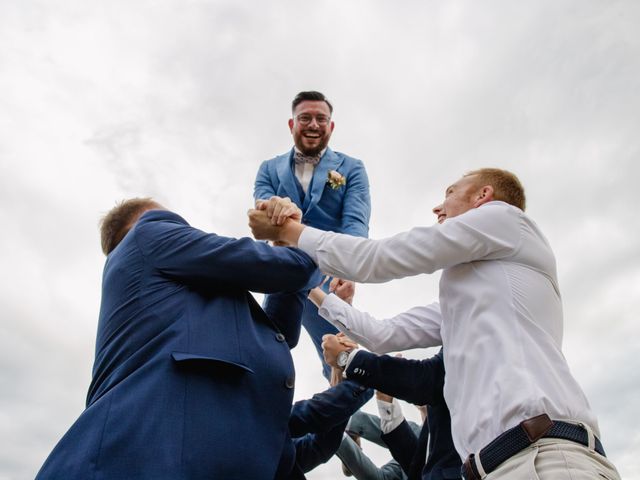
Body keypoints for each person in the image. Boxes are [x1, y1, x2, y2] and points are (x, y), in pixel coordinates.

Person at [248, 168, 621, 479]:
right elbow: (382, 335)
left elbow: (381, 258)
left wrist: (291, 232)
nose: (437, 206)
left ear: (483, 196)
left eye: (450, 192)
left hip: (544, 459)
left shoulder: (507, 220)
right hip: (492, 468)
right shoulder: (463, 299)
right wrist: (309, 280)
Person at [36, 198, 323, 480]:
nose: (188, 234)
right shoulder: (148, 232)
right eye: (180, 226)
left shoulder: (179, 291)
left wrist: (286, 245)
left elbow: (279, 330)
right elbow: (293, 269)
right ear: (144, 218)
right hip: (152, 458)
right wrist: (293, 233)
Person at [254, 90, 371, 378]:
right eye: (305, 118)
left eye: (321, 118)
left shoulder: (352, 168)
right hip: (283, 268)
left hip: (329, 272)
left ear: (331, 126)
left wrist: (349, 267)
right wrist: (274, 206)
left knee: (341, 358)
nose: (313, 124)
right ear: (292, 124)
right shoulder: (269, 168)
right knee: (267, 343)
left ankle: (335, 419)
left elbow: (355, 220)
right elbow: (260, 208)